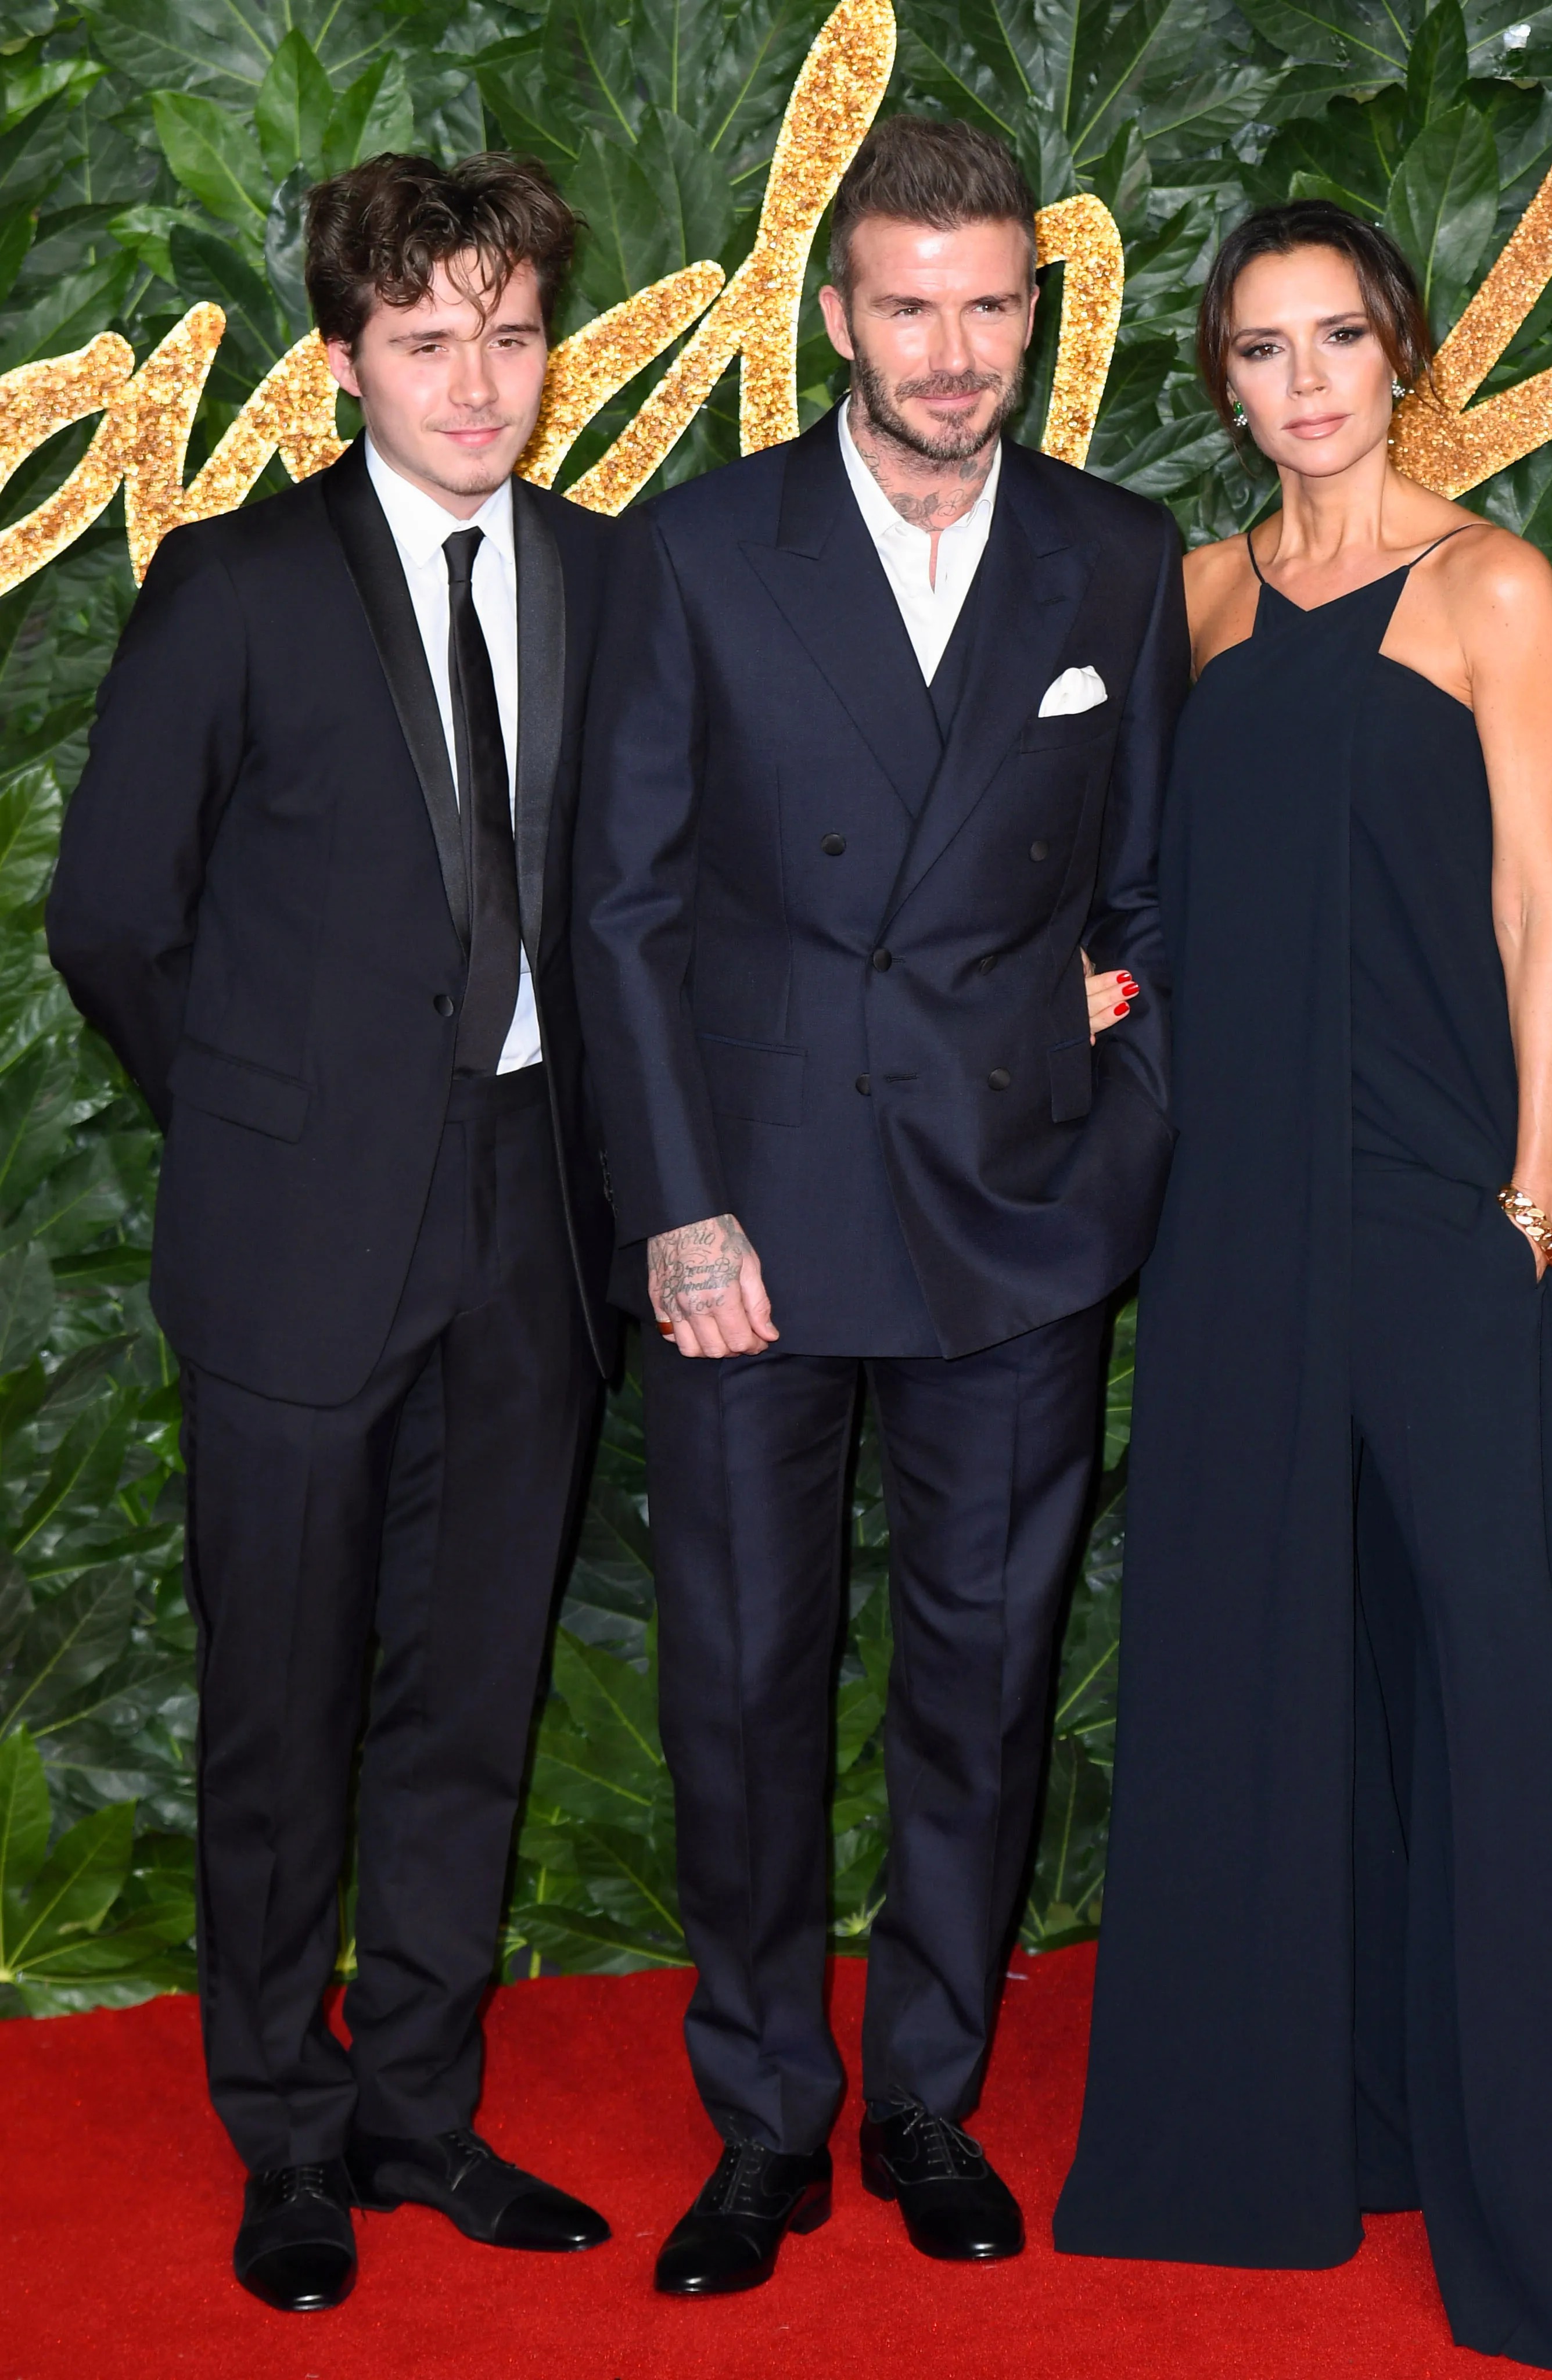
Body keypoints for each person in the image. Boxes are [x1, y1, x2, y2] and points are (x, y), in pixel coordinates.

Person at [576, 113, 1185, 2296]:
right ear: (837, 314)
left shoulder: (1115, 559)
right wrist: (674, 1211)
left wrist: (1101, 1133)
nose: (950, 352)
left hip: (1013, 1216)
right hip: (751, 1223)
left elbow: (1137, 901)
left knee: (979, 1682)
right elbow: (622, 909)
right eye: (908, 306)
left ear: (1036, 312)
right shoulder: (699, 548)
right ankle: (762, 2117)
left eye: (988, 306)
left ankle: (925, 2091)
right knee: (740, 1684)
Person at [1054, 201, 1552, 2368]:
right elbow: (1136, 891)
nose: (1302, 380)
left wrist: (1528, 1196)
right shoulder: (1198, 597)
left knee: (1491, 1681)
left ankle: (1539, 2213)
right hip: (1231, 1216)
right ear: (1217, 378)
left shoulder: (1490, 587)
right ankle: (1291, 2128)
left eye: (1337, 338)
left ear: (1395, 351)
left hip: (1433, 1206)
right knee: (1258, 1650)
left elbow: (1533, 908)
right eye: (1259, 348)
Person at [46, 153, 619, 2314]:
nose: (479, 382)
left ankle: (417, 2114)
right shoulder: (237, 586)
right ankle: (283, 2138)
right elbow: (109, 914)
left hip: (532, 1220)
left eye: (510, 332)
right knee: (279, 1715)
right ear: (345, 361)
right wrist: (269, 1124)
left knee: (468, 1703)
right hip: (295, 1235)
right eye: (427, 340)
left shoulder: (600, 577)